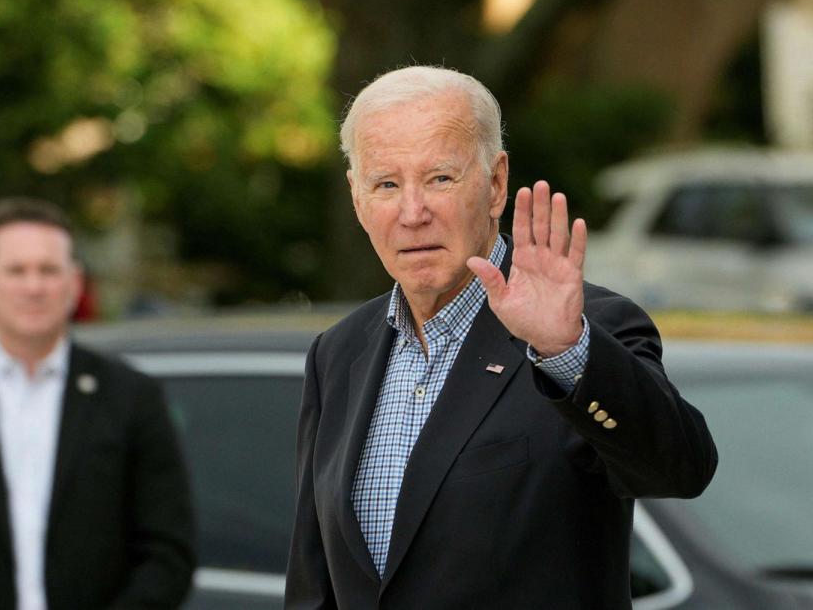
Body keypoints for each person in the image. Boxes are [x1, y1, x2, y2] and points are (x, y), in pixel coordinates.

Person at [284, 66, 717, 610]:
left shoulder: (585, 329)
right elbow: (313, 580)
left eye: (440, 178)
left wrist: (566, 352)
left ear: (494, 184)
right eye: (387, 184)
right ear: (356, 198)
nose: (412, 213)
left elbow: (680, 470)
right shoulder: (338, 352)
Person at [0, 198, 195, 610]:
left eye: (48, 270)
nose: (34, 286)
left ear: (74, 282)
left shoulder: (131, 397)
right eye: (17, 270)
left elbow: (168, 553)